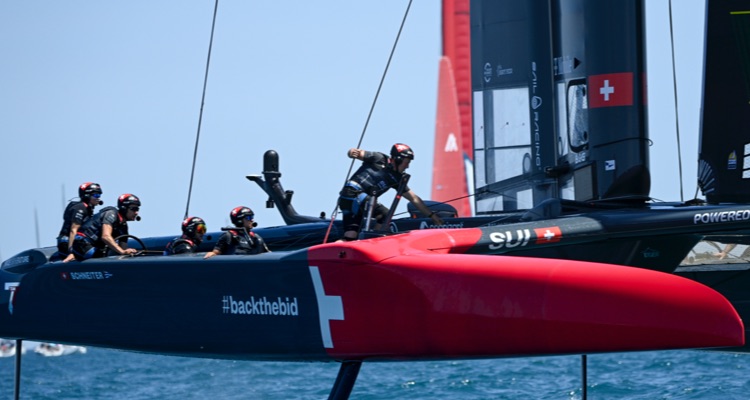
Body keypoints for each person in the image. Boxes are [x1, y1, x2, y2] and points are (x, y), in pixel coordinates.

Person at [337, 143, 444, 240]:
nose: (408, 166)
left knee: (350, 238)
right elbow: (356, 153)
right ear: (397, 160)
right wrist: (352, 152)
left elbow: (414, 199)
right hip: (354, 195)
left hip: (349, 201)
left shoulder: (397, 179)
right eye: (406, 162)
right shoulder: (379, 158)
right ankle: (372, 241)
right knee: (385, 214)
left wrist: (432, 216)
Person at [67, 193, 141, 261]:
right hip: (82, 243)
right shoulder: (111, 214)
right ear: (124, 208)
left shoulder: (123, 227)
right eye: (134, 209)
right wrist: (122, 251)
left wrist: (127, 253)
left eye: (137, 209)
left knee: (111, 253)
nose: (136, 212)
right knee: (105, 255)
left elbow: (123, 249)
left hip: (96, 247)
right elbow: (105, 236)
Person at [55, 182, 103, 256]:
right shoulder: (80, 208)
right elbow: (73, 230)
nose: (98, 198)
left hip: (77, 241)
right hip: (67, 242)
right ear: (87, 195)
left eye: (99, 195)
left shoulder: (88, 209)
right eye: (96, 195)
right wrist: (71, 252)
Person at [204, 206, 269, 259]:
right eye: (249, 217)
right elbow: (215, 253)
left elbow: (268, 254)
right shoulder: (228, 236)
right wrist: (211, 254)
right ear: (240, 220)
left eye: (252, 217)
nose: (252, 220)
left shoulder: (256, 238)